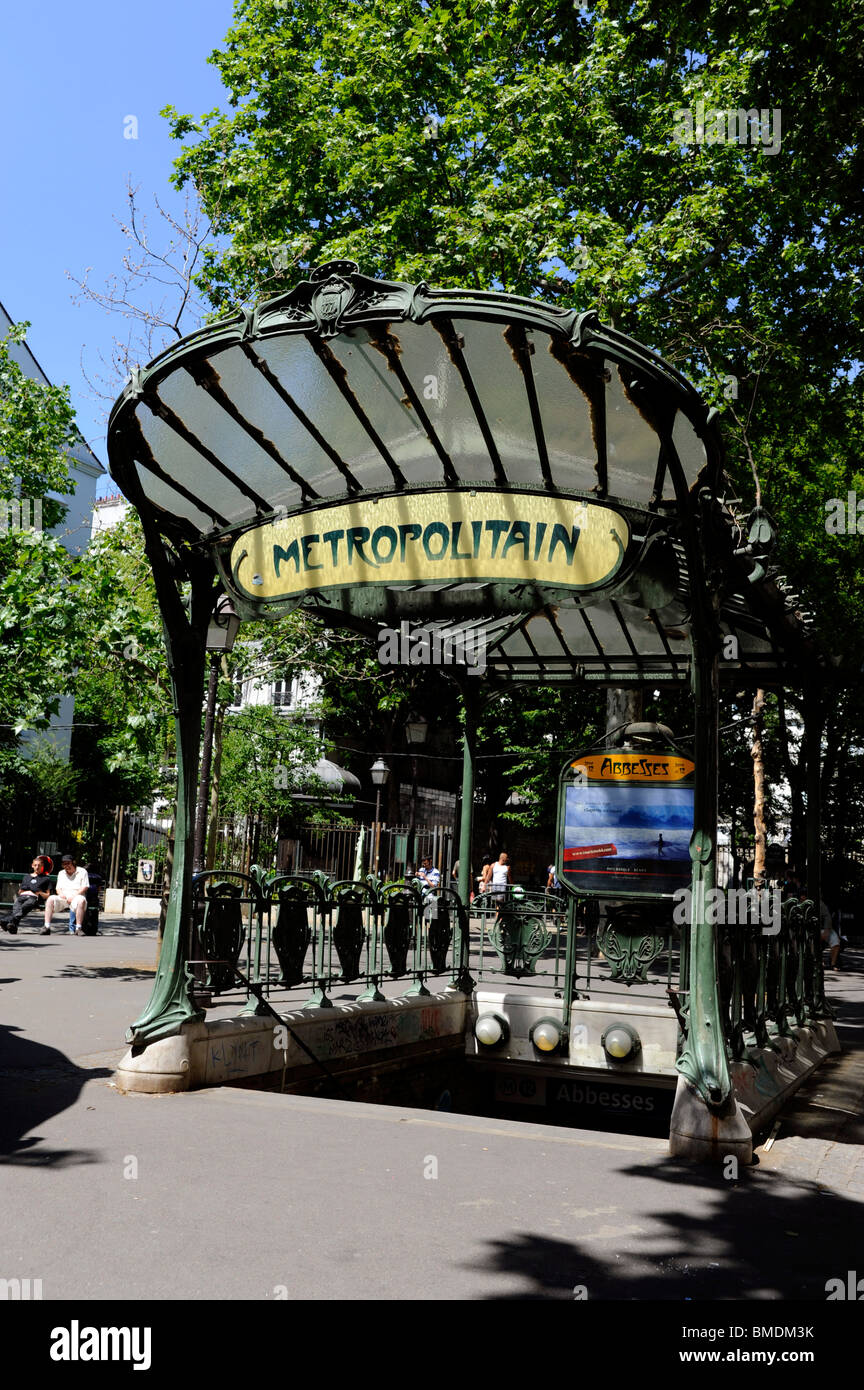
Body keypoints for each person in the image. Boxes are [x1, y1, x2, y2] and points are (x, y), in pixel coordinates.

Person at [2, 855, 52, 934]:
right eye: (35, 865)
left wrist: (39, 892)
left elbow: (48, 895)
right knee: (16, 907)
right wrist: (20, 891)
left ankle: (6, 920)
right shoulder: (26, 877)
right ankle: (13, 926)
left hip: (33, 898)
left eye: (39, 865)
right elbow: (20, 891)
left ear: (42, 866)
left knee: (24, 907)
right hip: (22, 896)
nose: (37, 867)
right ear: (32, 866)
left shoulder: (46, 879)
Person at [42, 854, 90, 935]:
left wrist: (73, 896)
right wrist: (61, 894)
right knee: (50, 899)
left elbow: (85, 887)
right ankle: (46, 927)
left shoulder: (82, 871)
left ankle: (78, 928)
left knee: (81, 900)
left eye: (68, 863)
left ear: (73, 863)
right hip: (63, 897)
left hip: (76, 896)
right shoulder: (61, 873)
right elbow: (58, 888)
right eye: (64, 864)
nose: (66, 866)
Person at [820, 898, 842, 971]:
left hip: (824, 928)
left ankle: (833, 964)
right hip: (811, 929)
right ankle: (818, 961)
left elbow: (827, 916)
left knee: (835, 942)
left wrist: (826, 930)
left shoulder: (820, 903)